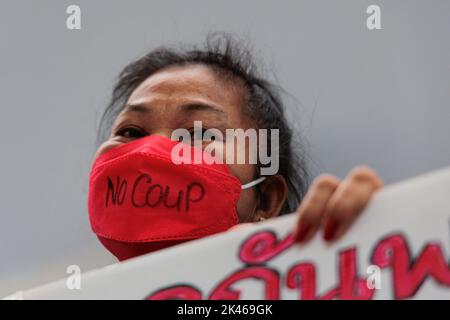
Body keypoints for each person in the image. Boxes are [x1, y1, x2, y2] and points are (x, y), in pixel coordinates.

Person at [89, 34, 383, 261]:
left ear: (266, 200)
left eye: (198, 133)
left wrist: (361, 251)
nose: (154, 148)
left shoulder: (306, 284)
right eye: (131, 131)